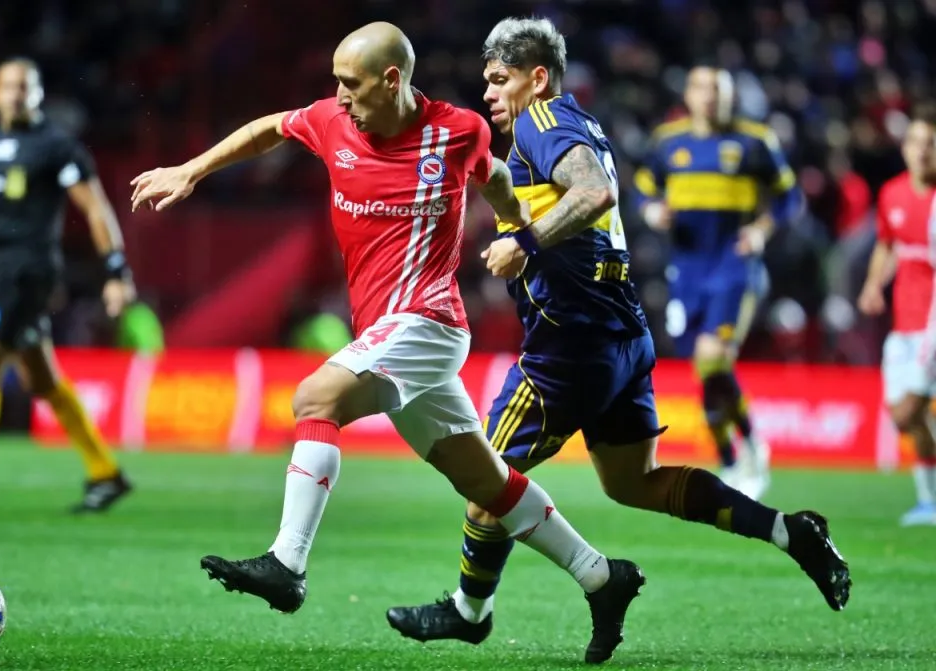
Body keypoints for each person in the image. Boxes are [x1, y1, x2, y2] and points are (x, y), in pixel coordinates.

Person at [130, 22, 644, 662]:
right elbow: (268, 128)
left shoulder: (457, 130)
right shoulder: (329, 122)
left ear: (392, 80)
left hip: (428, 321)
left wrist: (520, 229)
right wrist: (192, 168)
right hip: (384, 330)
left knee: (316, 398)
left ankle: (287, 563)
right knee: (486, 483)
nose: (339, 97)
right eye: (336, 84)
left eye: (351, 84)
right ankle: (602, 576)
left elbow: (492, 179)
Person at [384, 18, 851, 662]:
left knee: (486, 479)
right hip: (621, 336)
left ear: (537, 77)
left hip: (569, 348)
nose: (489, 93)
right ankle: (789, 532)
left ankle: (474, 610)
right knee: (634, 483)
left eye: (500, 79)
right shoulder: (575, 124)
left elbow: (596, 192)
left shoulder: (543, 122)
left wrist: (523, 241)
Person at [0, 58, 135, 516]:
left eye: (24, 87)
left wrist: (115, 270)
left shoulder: (56, 147)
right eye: (7, 86)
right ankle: (105, 473)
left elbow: (96, 209)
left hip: (30, 273)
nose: (15, 94)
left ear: (38, 95)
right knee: (41, 378)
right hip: (1, 269)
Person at [632, 66, 803, 499]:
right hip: (686, 270)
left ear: (731, 96)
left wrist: (762, 229)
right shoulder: (669, 143)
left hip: (733, 265)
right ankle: (733, 458)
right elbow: (640, 191)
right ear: (688, 95)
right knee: (706, 370)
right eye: (703, 88)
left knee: (711, 360)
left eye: (719, 90)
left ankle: (749, 449)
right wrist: (652, 211)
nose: (710, 97)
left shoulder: (754, 141)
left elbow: (789, 197)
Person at [858, 106, 936, 526]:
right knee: (905, 416)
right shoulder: (892, 193)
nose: (922, 152)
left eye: (930, 144)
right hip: (903, 323)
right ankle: (929, 502)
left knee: (909, 411)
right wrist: (873, 284)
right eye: (915, 143)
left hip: (932, 325)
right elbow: (887, 245)